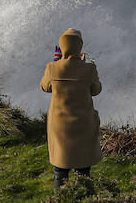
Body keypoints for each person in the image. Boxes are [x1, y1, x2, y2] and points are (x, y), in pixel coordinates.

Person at [40, 28, 102, 188]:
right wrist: (83, 64)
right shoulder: (89, 69)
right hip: (83, 124)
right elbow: (96, 90)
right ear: (79, 47)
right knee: (83, 170)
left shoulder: (52, 68)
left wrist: (57, 62)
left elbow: (45, 87)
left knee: (60, 169)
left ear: (62, 46)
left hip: (60, 126)